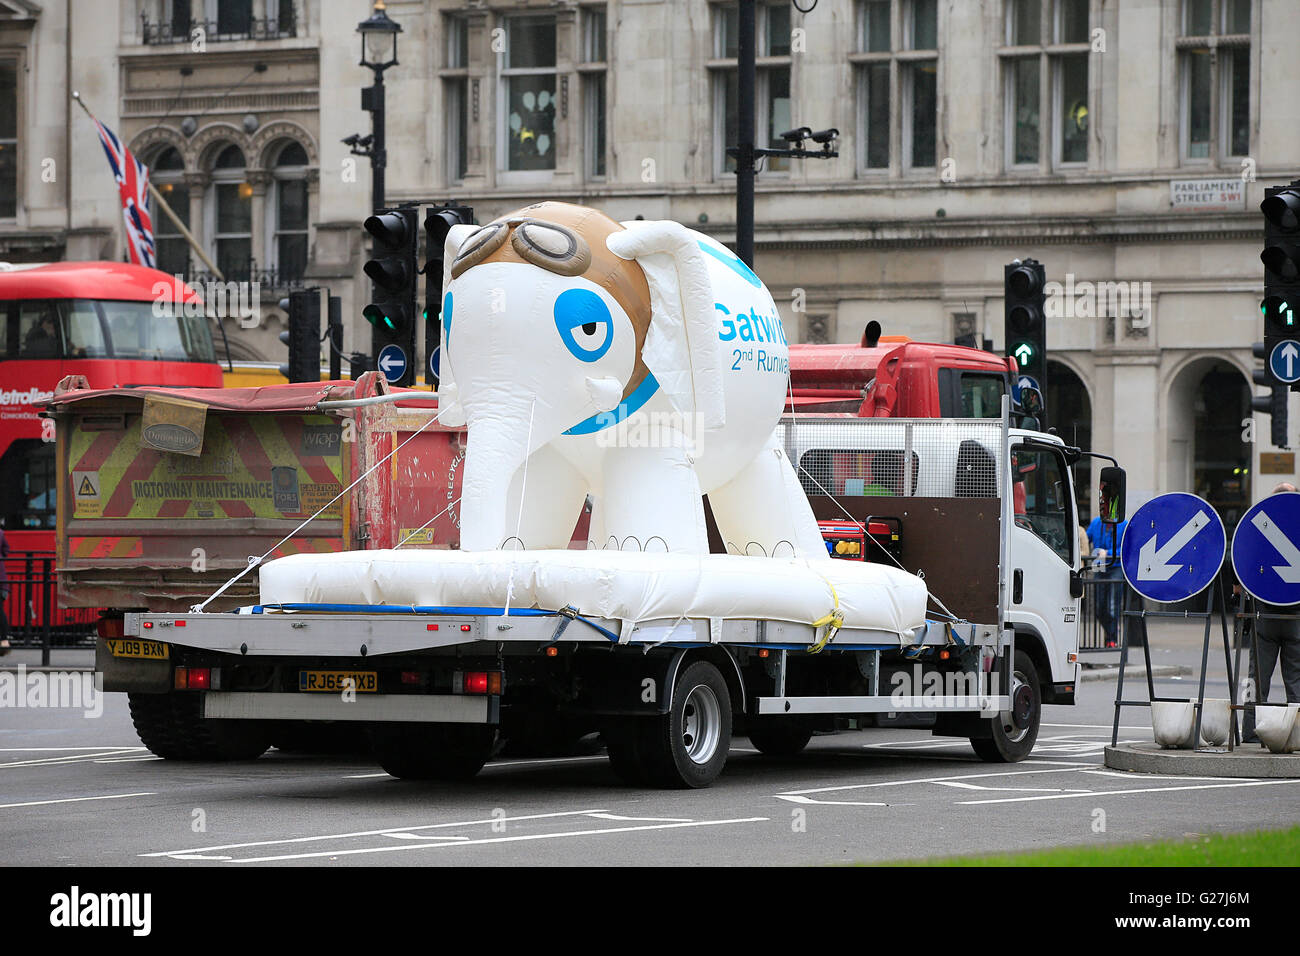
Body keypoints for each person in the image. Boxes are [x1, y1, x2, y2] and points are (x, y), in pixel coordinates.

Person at [1243, 482, 1300, 744]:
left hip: (1264, 615)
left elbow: (1243, 564)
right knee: (1297, 678)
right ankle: (1297, 732)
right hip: (1296, 615)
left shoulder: (1258, 526)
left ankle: (1250, 730)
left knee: (1255, 678)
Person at [1087, 499, 1129, 648]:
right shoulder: (1096, 522)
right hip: (1100, 566)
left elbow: (1126, 548)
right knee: (1099, 607)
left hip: (1115, 566)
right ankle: (1111, 631)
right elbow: (1086, 539)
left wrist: (1108, 553)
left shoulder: (1123, 525)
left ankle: (1111, 638)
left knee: (1112, 605)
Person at [0, 518, 9, 655]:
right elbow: (6, 550)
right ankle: (4, 641)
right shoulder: (1, 533)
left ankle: (4, 641)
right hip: (2, 582)